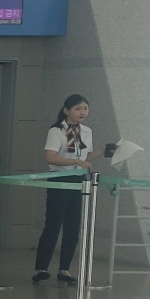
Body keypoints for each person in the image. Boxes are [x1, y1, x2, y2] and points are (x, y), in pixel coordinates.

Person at [34, 94, 95, 285]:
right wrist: (76, 161)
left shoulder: (87, 131)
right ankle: (42, 268)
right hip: (59, 178)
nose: (82, 112)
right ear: (66, 110)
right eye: (78, 108)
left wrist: (104, 151)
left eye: (85, 108)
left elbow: (85, 157)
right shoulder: (56, 131)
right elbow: (50, 157)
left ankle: (64, 269)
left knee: (73, 226)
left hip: (78, 179)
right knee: (53, 224)